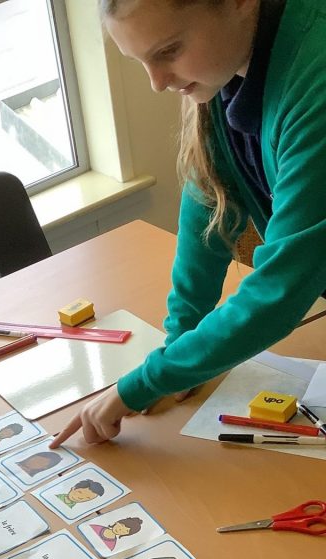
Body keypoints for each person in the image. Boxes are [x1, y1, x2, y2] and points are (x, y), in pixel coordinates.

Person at [51, 0, 326, 447]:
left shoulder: (316, 74)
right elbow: (209, 207)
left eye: (168, 51)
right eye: (140, 61)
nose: (157, 82)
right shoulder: (225, 69)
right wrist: (180, 348)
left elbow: (281, 288)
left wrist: (146, 381)